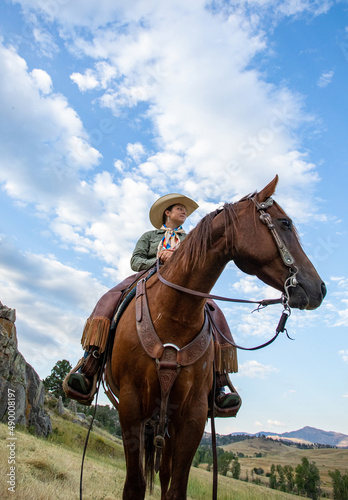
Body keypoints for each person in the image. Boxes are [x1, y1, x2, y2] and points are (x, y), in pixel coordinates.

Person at [64, 193, 241, 412]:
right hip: (149, 277)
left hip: (185, 286)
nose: (184, 212)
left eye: (185, 210)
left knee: (214, 312)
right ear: (167, 212)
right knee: (111, 299)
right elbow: (135, 261)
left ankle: (219, 385)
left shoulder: (190, 239)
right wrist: (158, 259)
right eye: (179, 208)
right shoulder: (150, 236)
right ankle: (89, 366)